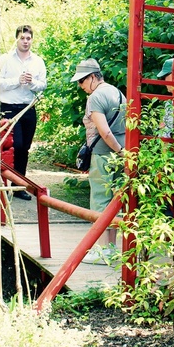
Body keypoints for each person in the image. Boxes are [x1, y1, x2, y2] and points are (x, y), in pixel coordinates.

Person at [73, 58, 126, 261]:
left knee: (100, 201)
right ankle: (111, 248)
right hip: (121, 156)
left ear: (94, 77)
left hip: (104, 155)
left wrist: (119, 150)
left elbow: (104, 132)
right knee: (115, 201)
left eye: (82, 81)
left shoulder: (95, 97)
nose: (81, 86)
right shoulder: (118, 93)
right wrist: (124, 153)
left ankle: (104, 250)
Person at [0, 25, 47, 200]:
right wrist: (16, 81)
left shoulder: (38, 61)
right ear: (16, 39)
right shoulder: (5, 59)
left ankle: (19, 187)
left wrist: (32, 82)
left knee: (24, 148)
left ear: (32, 39)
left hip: (28, 107)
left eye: (28, 38)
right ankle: (6, 183)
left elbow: (43, 85)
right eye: (22, 38)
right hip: (9, 108)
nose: (25, 41)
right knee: (15, 145)